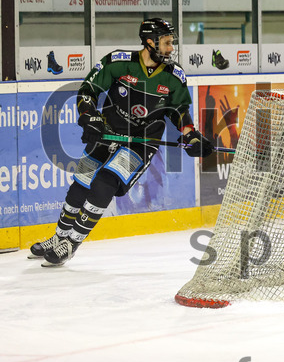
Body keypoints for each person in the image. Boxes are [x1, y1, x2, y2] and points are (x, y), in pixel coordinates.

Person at [29, 18, 214, 266]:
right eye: (167, 42)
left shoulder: (174, 76)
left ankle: (71, 243)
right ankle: (59, 237)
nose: (171, 48)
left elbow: (179, 112)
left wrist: (191, 135)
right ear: (150, 42)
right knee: (81, 182)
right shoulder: (119, 62)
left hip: (142, 143)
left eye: (172, 43)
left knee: (106, 181)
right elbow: (88, 91)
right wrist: (90, 118)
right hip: (108, 133)